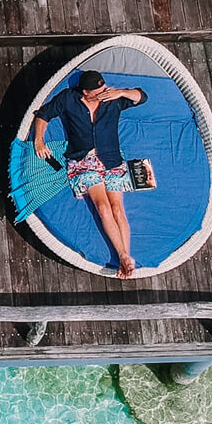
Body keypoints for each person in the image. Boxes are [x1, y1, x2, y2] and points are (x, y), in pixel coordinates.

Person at [32, 70, 147, 279]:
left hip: (111, 158)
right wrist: (39, 140)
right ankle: (123, 255)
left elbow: (141, 96)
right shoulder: (69, 99)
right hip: (84, 160)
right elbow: (43, 114)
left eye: (104, 89)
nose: (103, 93)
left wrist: (120, 92)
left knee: (117, 209)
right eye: (98, 91)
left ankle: (126, 257)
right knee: (103, 208)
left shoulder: (113, 100)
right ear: (85, 92)